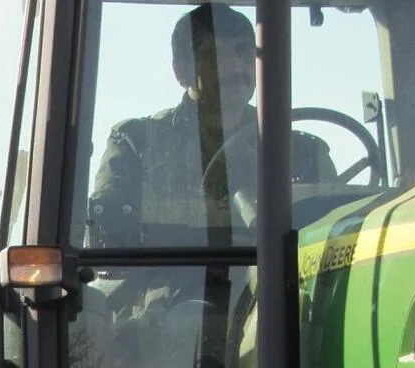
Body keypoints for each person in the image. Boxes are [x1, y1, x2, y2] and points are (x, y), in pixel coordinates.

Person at [85, 2, 338, 251]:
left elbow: (336, 227)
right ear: (181, 71)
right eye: (215, 54)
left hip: (276, 287)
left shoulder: (301, 151)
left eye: (244, 52)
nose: (237, 66)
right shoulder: (136, 143)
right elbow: (109, 234)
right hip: (168, 282)